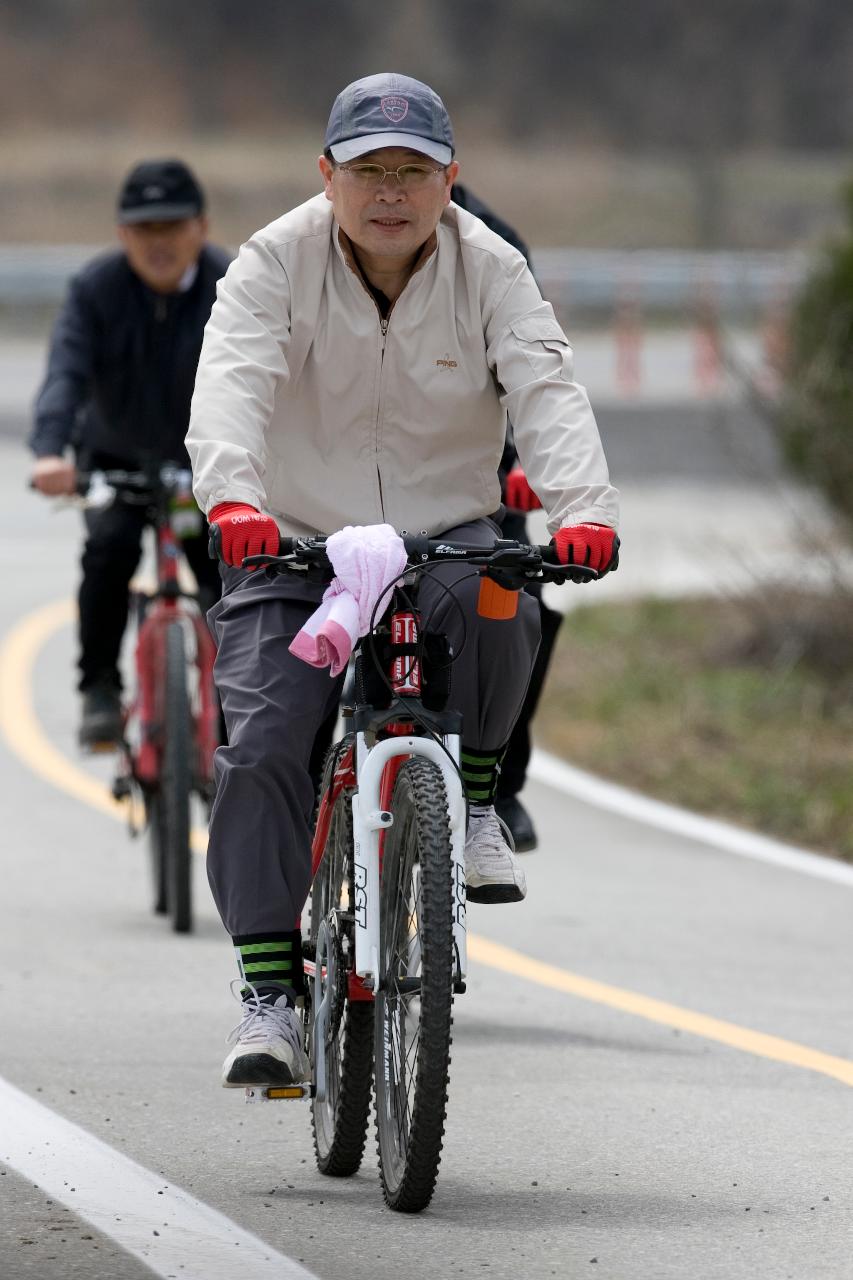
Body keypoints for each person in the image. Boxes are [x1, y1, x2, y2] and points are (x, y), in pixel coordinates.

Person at [187, 72, 620, 1088]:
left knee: (508, 594)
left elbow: (546, 387)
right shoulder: (271, 262)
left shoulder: (492, 267)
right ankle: (270, 993)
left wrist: (584, 510)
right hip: (292, 539)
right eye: (369, 170)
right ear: (327, 175)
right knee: (258, 745)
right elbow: (231, 382)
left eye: (413, 172)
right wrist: (234, 501)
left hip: (442, 528)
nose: (391, 192)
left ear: (450, 179)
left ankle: (469, 798)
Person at [29, 159, 230, 748]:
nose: (158, 243)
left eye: (172, 227)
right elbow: (64, 374)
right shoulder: (96, 289)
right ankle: (98, 689)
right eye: (144, 230)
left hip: (207, 468)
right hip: (113, 461)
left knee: (229, 579)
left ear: (202, 226)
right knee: (107, 552)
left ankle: (233, 711)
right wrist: (49, 453)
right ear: (122, 235)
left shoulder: (236, 284)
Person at [452, 182, 563, 853]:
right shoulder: (332, 245)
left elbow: (534, 372)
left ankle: (499, 788)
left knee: (515, 603)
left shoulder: (497, 250)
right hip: (355, 478)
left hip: (485, 471)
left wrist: (526, 465)